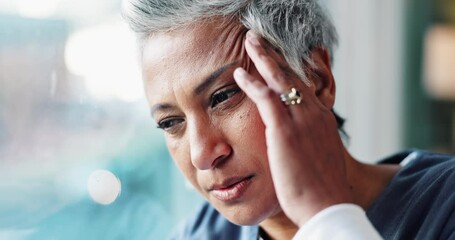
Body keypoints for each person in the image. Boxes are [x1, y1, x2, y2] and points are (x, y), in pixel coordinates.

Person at [122, 0, 455, 239]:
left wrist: (324, 214)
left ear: (318, 79)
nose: (202, 154)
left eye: (223, 97)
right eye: (170, 123)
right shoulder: (201, 233)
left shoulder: (444, 206)